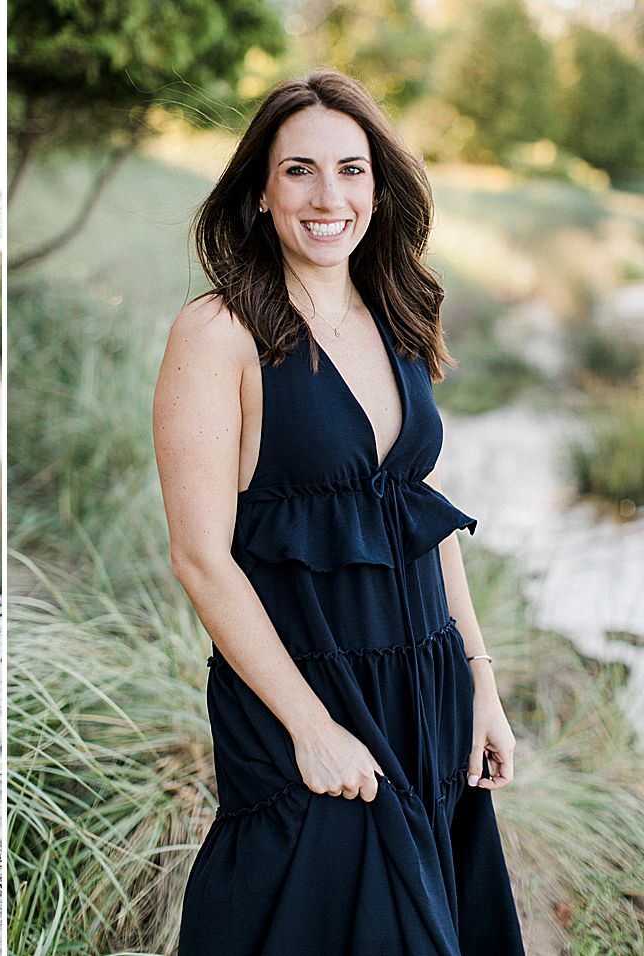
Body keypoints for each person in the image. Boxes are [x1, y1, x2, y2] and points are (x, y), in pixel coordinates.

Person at [152, 72, 526, 954]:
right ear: (259, 192)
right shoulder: (219, 332)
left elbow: (419, 517)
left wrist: (481, 679)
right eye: (300, 172)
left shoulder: (399, 313)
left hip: (426, 689)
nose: (330, 198)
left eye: (352, 170)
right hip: (305, 698)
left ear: (378, 185)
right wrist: (311, 728)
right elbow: (201, 559)